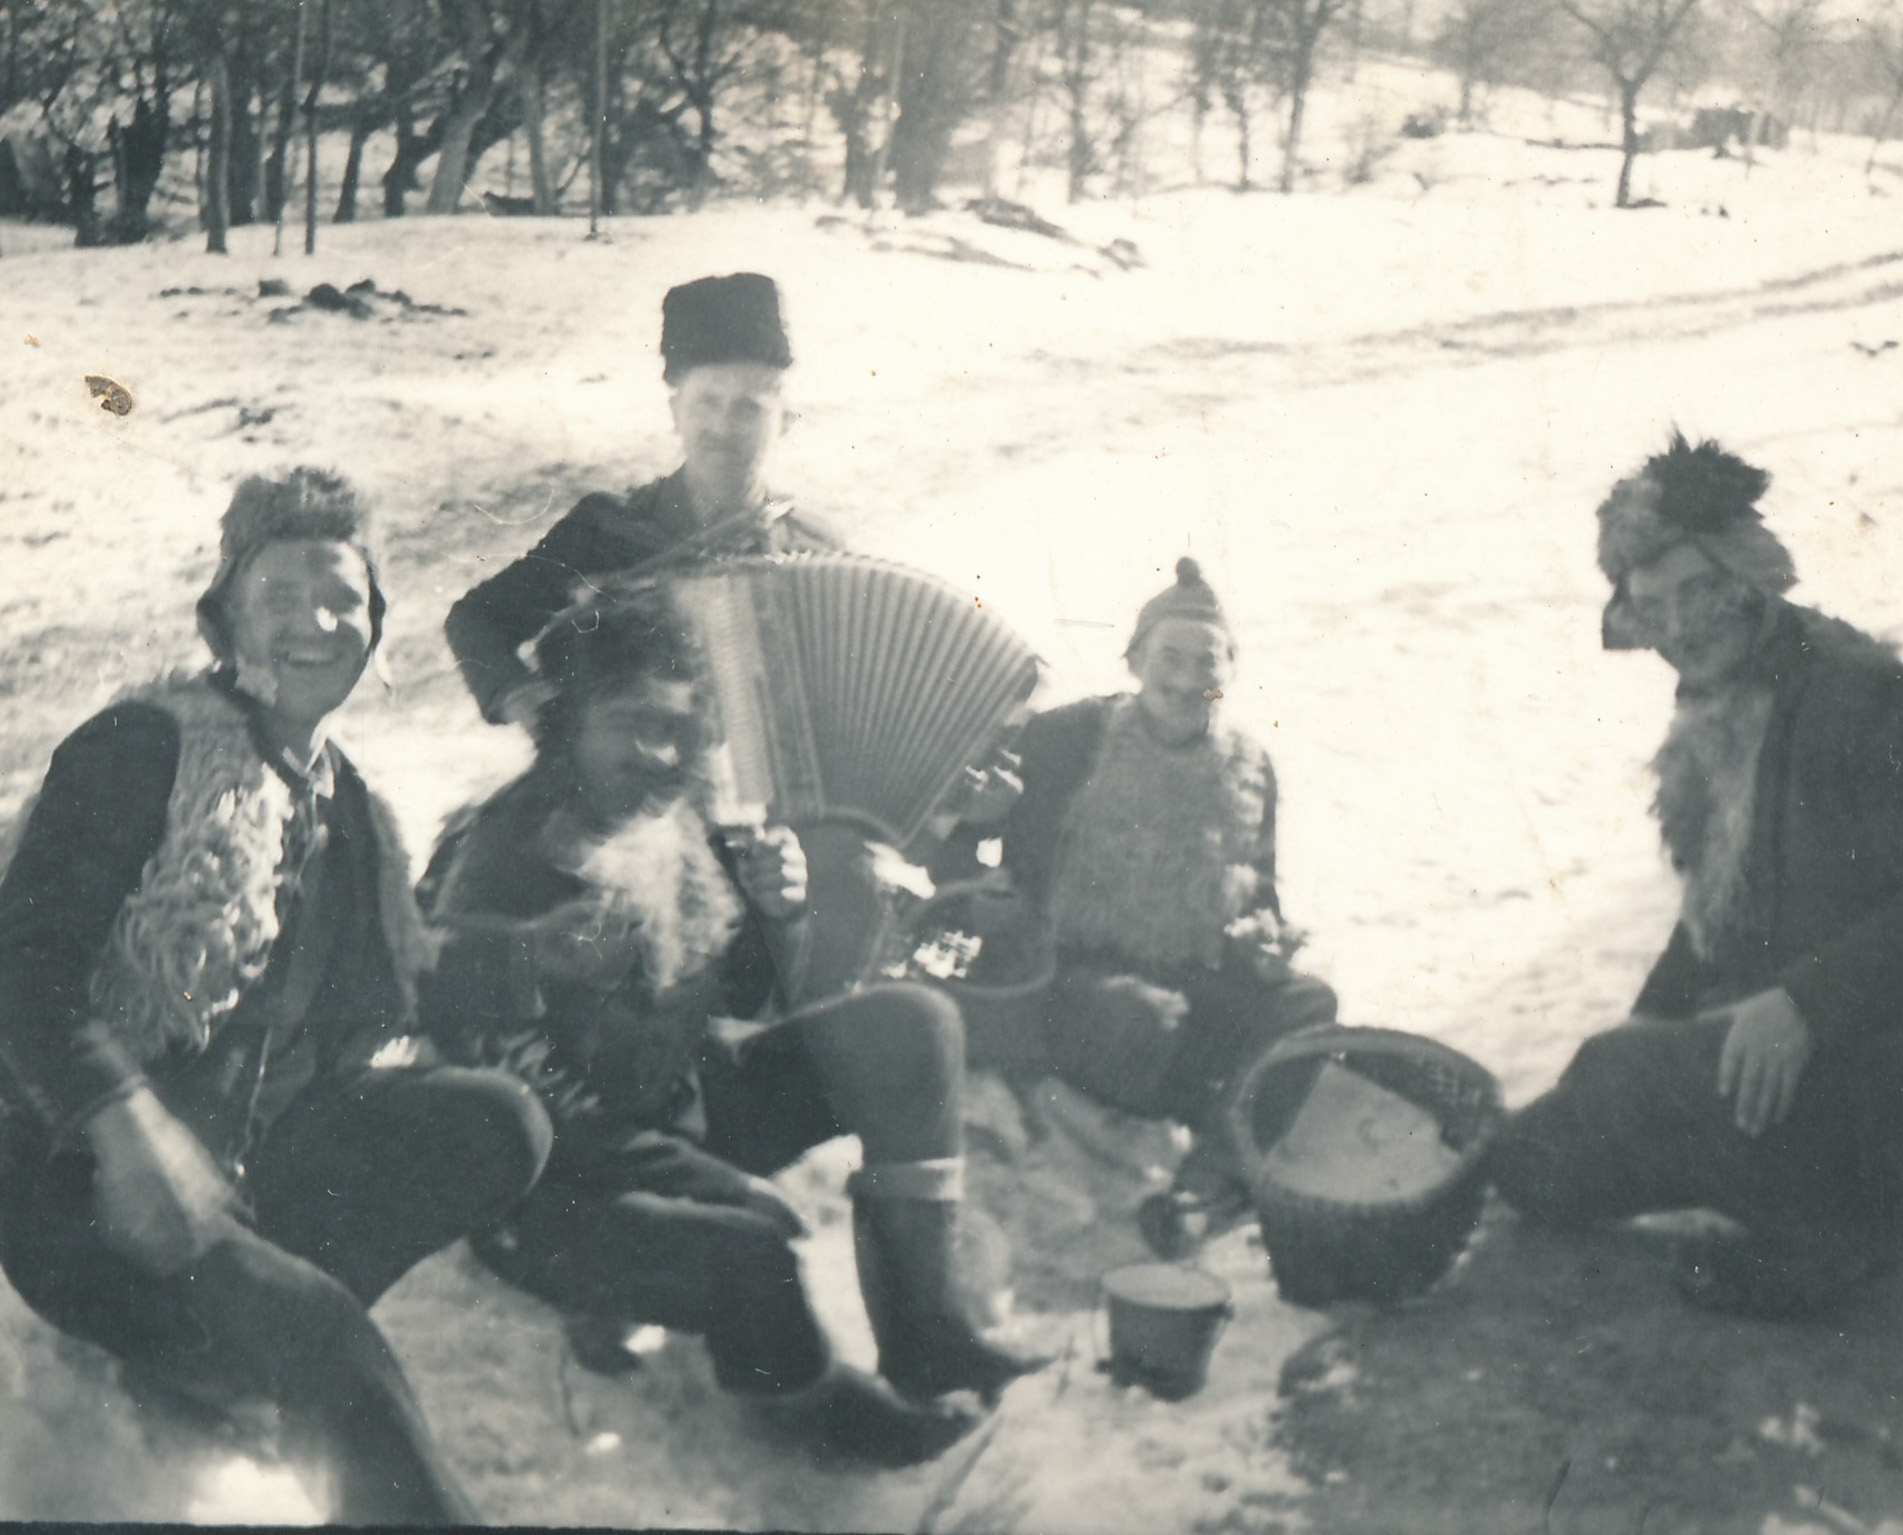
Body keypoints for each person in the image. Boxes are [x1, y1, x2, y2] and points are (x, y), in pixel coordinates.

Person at [0, 470, 552, 1524]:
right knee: (340, 1358)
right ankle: (260, 1351)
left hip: (245, 1163)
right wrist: (123, 1126)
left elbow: (396, 977)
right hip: (86, 1189)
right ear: (225, 617)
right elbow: (19, 965)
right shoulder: (146, 747)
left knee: (499, 1121)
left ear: (376, 624)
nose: (316, 623)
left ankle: (219, 1364)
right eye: (281, 595)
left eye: (343, 598)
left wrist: (553, 954)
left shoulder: (349, 801)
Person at [417, 591, 1045, 1467]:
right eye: (628, 722)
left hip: (673, 1110)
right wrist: (718, 1183)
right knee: (750, 1248)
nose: (657, 751)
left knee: (911, 1023)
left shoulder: (667, 816)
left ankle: (926, 1330)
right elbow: (524, 1104)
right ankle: (806, 1405)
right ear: (564, 724)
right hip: (549, 1185)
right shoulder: (502, 857)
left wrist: (777, 915)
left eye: (677, 728)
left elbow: (733, 995)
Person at [1490, 434, 1903, 1319]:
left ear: (1746, 579)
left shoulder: (1863, 697)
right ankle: (1807, 1204)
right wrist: (1652, 1019)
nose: (1681, 628)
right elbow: (1723, 900)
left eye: (1698, 591)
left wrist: (1806, 1005)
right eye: (1654, 606)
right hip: (1815, 1065)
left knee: (1611, 1089)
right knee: (1544, 1153)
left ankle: (1839, 1232)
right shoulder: (1730, 695)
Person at [948, 559, 1339, 1259]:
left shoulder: (1251, 766)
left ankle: (1205, 1185)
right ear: (1134, 660)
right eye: (1170, 658)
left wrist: (1265, 946)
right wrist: (978, 826)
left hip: (1194, 976)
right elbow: (951, 846)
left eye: (1207, 661)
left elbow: (1261, 899)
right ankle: (1225, 1105)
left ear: (1231, 670)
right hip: (1068, 973)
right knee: (1141, 1019)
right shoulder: (1065, 738)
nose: (1187, 679)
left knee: (1310, 1004)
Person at [445, 271, 837, 732]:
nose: (722, 427)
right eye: (706, 402)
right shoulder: (605, 531)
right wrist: (530, 705)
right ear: (676, 413)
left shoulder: (817, 551)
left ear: (785, 421)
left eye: (748, 408)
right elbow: (476, 619)